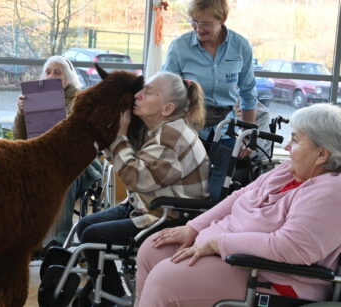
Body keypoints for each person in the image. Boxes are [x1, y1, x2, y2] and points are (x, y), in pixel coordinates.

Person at [134, 103, 341, 307]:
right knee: (153, 249)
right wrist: (193, 228)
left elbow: (292, 247)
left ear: (321, 154)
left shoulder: (330, 191)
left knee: (166, 280)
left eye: (295, 140)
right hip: (233, 258)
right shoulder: (288, 170)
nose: (287, 146)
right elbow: (240, 195)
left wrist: (218, 243)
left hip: (272, 278)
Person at [75, 71, 210, 306]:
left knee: (91, 235)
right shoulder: (161, 128)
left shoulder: (171, 136)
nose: (137, 95)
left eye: (148, 92)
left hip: (168, 217)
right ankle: (110, 291)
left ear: (166, 108)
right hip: (148, 205)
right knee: (85, 225)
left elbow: (136, 178)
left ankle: (109, 296)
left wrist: (118, 137)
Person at [12, 55, 102, 256]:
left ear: (69, 78)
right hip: (39, 161)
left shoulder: (81, 99)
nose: (51, 75)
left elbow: (84, 138)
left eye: (58, 72)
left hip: (75, 163)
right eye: (48, 71)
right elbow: (20, 136)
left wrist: (56, 110)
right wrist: (21, 113)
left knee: (60, 177)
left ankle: (55, 243)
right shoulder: (32, 97)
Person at [162, 0, 257, 150]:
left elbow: (248, 94)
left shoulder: (240, 46)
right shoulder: (179, 47)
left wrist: (247, 137)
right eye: (194, 21)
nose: (198, 29)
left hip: (226, 131)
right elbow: (166, 93)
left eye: (206, 24)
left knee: (225, 172)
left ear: (223, 19)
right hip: (187, 132)